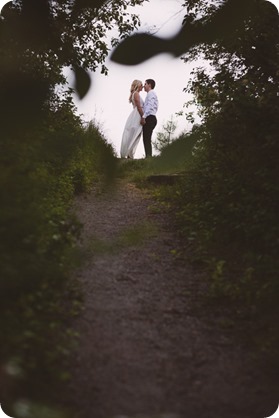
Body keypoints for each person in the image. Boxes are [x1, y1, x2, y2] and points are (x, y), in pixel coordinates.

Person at [120, 80, 144, 159]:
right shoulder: (136, 94)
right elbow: (139, 107)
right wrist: (142, 116)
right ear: (137, 85)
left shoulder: (134, 94)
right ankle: (129, 154)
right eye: (141, 85)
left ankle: (129, 153)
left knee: (134, 134)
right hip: (137, 115)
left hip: (135, 115)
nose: (142, 86)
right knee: (135, 134)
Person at [141, 79, 158, 157]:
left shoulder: (151, 93)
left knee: (146, 138)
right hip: (151, 117)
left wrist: (144, 117)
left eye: (145, 84)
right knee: (146, 138)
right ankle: (148, 156)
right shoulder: (151, 94)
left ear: (149, 85)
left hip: (149, 118)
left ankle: (148, 157)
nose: (144, 86)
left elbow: (150, 106)